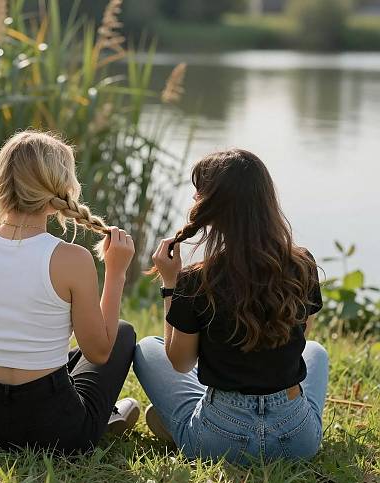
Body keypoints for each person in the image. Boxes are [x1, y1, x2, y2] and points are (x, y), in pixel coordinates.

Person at [133, 149, 328, 464]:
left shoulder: (197, 280)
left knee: (147, 348)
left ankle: (181, 426)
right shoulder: (301, 264)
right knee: (316, 350)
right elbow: (302, 336)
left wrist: (170, 285)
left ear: (210, 208)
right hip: (296, 439)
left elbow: (180, 362)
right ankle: (184, 422)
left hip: (222, 437)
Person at [0, 130, 139, 453]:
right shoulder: (72, 259)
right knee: (121, 333)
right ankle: (102, 417)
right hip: (57, 432)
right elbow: (99, 353)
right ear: (59, 193)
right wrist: (116, 272)